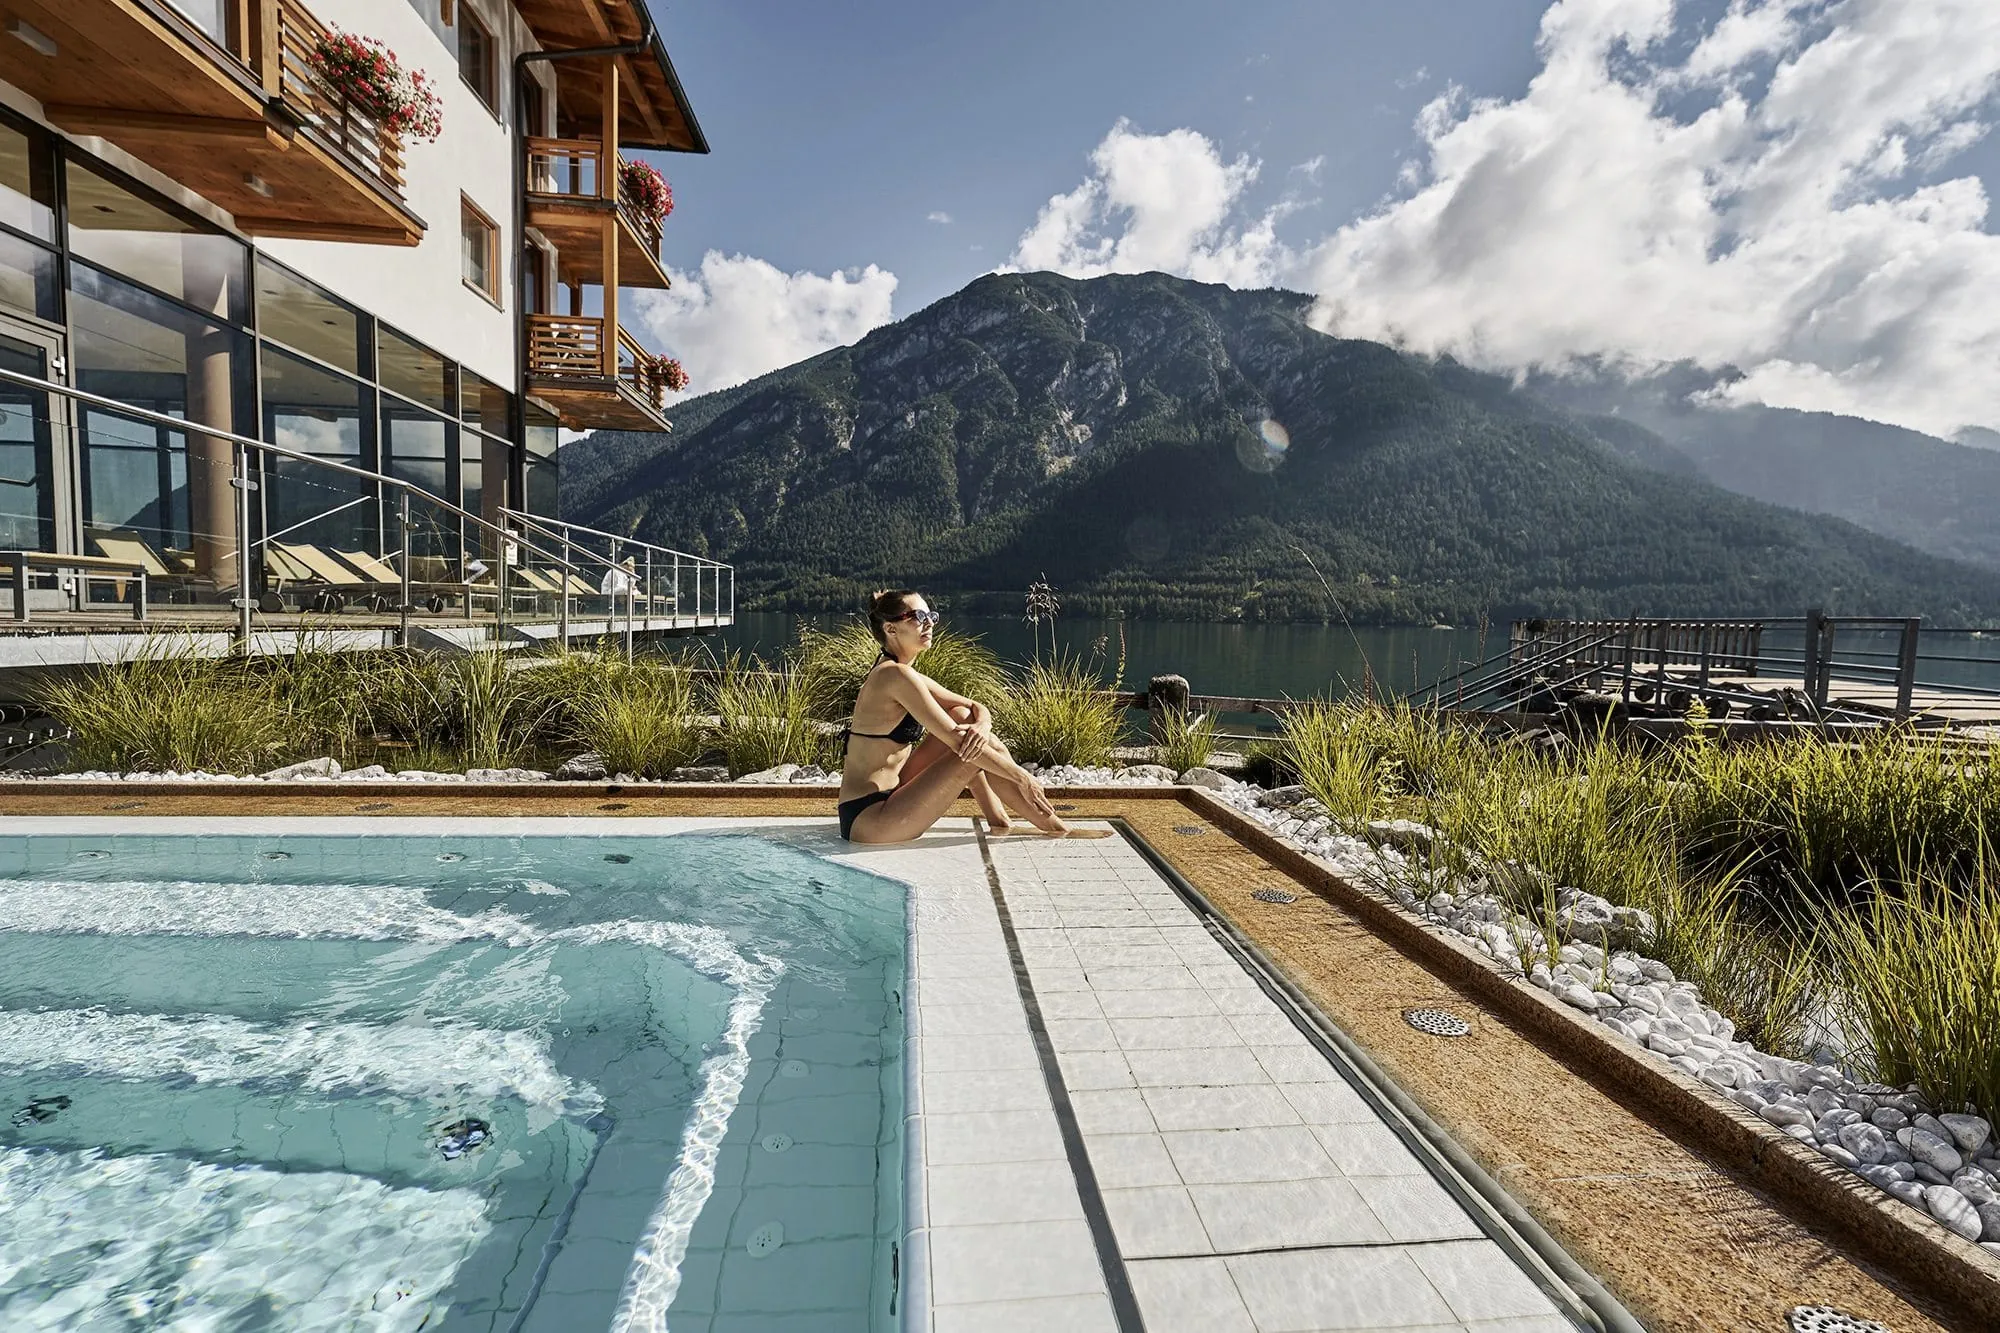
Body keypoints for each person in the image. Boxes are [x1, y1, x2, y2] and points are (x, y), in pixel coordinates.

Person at [837, 589, 1109, 843]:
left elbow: (974, 706)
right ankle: (1057, 829)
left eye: (931, 616)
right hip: (870, 818)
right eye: (918, 617)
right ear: (891, 629)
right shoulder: (894, 676)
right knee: (972, 746)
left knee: (965, 718)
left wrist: (982, 724)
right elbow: (957, 741)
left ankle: (999, 820)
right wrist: (1022, 777)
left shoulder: (900, 671)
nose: (929, 623)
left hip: (892, 794)